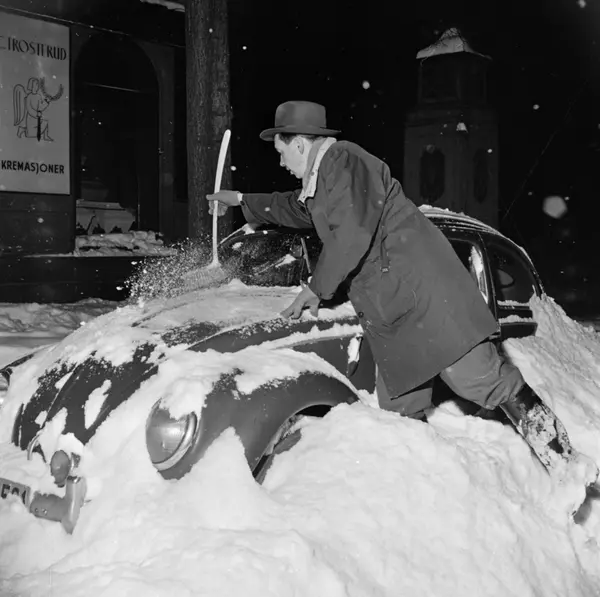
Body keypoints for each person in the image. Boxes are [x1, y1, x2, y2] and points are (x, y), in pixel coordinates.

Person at [207, 100, 596, 484]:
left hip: (427, 297)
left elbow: (352, 233)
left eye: (281, 151)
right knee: (399, 413)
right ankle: (424, 497)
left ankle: (565, 463)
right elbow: (294, 208)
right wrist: (241, 200)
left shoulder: (346, 162)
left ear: (299, 143)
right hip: (393, 313)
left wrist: (316, 287)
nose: (280, 161)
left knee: (482, 380)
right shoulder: (322, 182)